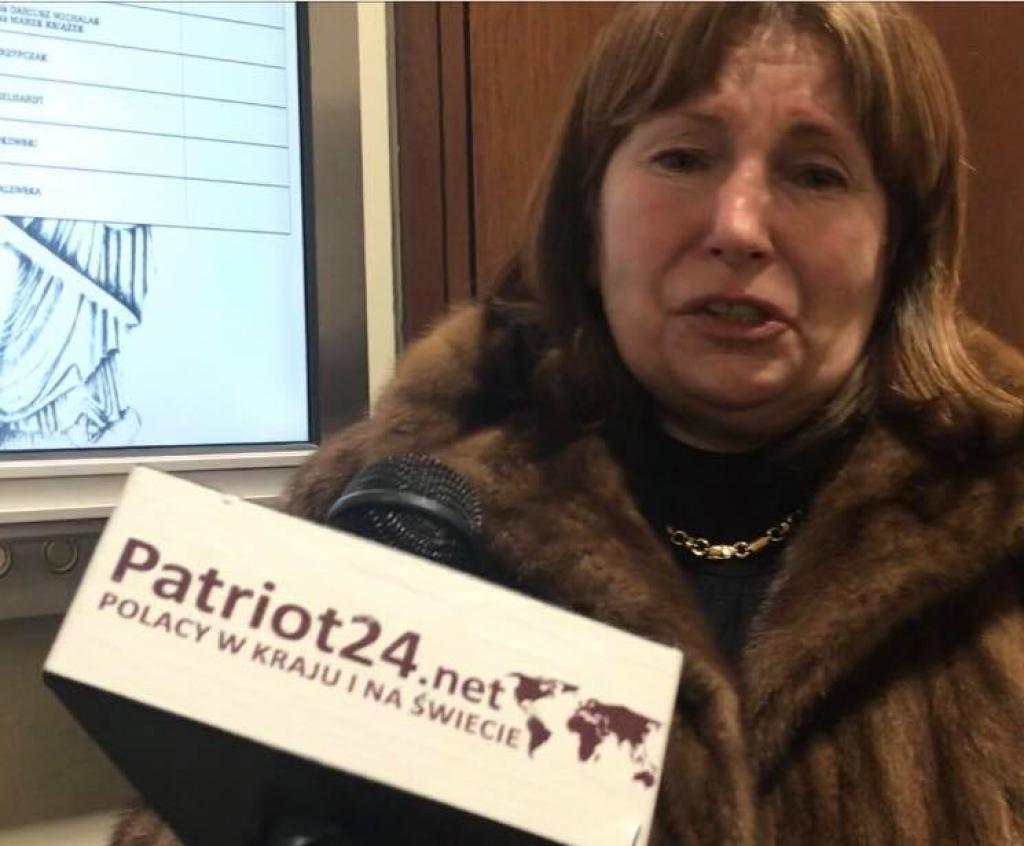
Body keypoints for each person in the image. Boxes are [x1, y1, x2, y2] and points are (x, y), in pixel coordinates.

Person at [112, 2, 1024, 844]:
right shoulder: (395, 504)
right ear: (590, 216)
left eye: (817, 173)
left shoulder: (1001, 518)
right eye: (683, 158)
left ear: (897, 247)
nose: (739, 226)